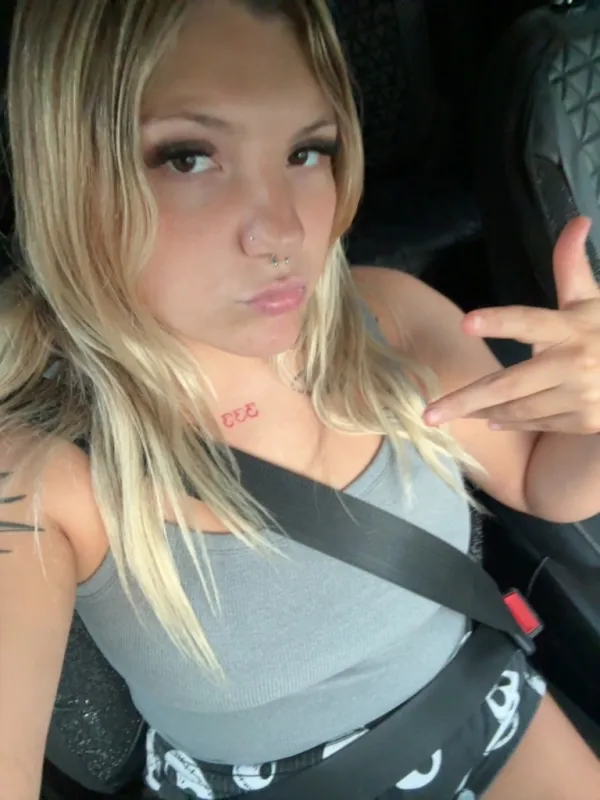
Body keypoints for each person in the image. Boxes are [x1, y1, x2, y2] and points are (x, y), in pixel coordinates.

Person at [1, 1, 600, 798]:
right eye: (188, 157)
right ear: (70, 173)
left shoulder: (386, 315)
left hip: (485, 710)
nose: (282, 229)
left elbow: (539, 482)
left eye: (306, 151)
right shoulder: (39, 468)